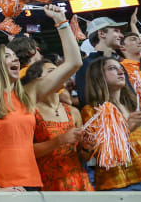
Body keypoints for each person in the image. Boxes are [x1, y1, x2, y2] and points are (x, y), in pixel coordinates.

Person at [0, 5, 82, 192]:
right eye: (7, 56)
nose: (15, 60)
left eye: (15, 56)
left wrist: (61, 21)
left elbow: (74, 63)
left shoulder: (28, 94)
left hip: (31, 183)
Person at [82, 57, 141, 191]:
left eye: (121, 69)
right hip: (123, 181)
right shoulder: (92, 111)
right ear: (98, 76)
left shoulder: (136, 107)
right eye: (112, 68)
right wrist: (127, 129)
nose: (121, 72)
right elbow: (96, 152)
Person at [22, 60, 93, 191]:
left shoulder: (73, 112)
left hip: (79, 183)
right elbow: (25, 152)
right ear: (37, 80)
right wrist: (60, 140)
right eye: (52, 71)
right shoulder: (30, 112)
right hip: (47, 185)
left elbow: (82, 157)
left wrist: (87, 148)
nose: (61, 74)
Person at [74, 17, 126, 107]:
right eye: (116, 31)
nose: (121, 35)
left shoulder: (121, 64)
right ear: (102, 33)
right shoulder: (87, 65)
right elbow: (87, 104)